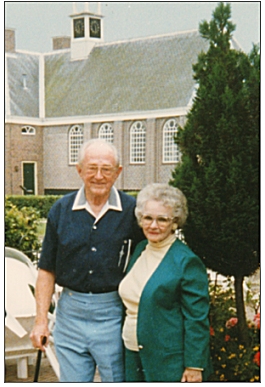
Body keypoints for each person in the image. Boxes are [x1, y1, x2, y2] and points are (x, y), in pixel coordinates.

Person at [30, 139, 144, 382]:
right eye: (92, 168)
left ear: (118, 172)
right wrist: (40, 321)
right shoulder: (61, 209)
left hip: (113, 313)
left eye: (107, 169)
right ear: (79, 170)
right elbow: (46, 270)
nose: (99, 176)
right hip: (69, 313)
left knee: (116, 380)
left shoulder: (133, 211)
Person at [118, 183, 212, 382]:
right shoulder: (141, 249)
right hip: (132, 354)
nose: (153, 225)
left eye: (162, 219)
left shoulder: (186, 261)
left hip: (167, 362)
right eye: (148, 218)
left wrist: (194, 365)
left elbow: (196, 318)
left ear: (175, 223)